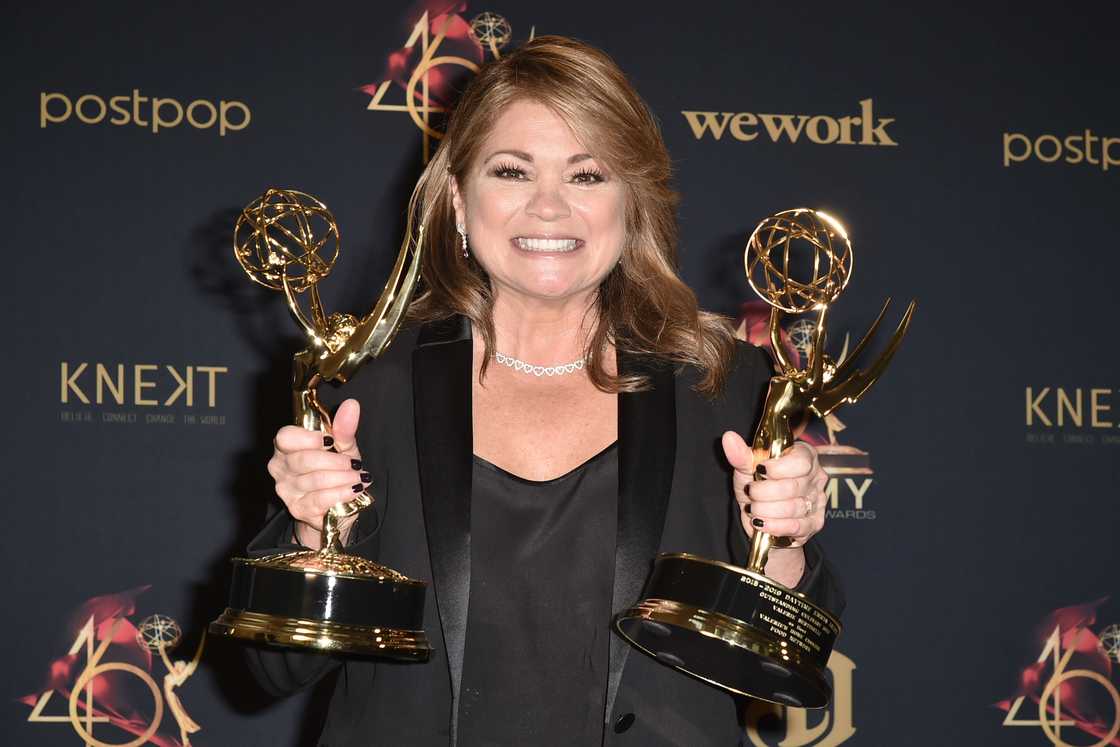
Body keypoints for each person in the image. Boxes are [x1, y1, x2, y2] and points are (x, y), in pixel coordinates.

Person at [245, 35, 844, 746]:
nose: (550, 208)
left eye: (588, 175)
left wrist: (781, 543)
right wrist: (313, 534)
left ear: (632, 205)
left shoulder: (724, 385)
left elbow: (790, 659)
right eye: (512, 171)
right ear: (459, 203)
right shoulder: (366, 384)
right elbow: (271, 669)